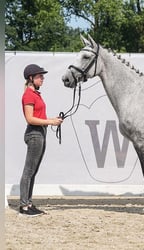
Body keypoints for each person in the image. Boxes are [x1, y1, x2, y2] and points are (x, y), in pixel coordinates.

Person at [19, 64, 63, 216]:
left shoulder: (36, 94)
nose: (42, 78)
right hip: (34, 134)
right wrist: (51, 122)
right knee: (28, 171)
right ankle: (24, 206)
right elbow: (30, 119)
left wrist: (52, 119)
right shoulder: (28, 95)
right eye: (39, 76)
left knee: (33, 171)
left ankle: (28, 203)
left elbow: (39, 116)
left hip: (40, 133)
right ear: (31, 78)